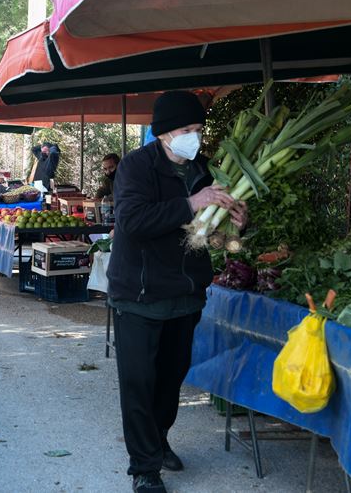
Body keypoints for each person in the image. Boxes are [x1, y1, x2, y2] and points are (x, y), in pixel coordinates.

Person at [106, 91, 247, 493]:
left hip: (185, 295)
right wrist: (192, 202)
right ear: (165, 133)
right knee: (139, 383)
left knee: (171, 379)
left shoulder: (202, 168)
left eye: (198, 129)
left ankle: (159, 438)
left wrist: (238, 221)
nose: (195, 137)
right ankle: (144, 469)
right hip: (139, 294)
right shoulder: (136, 167)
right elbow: (132, 221)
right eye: (187, 130)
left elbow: (213, 235)